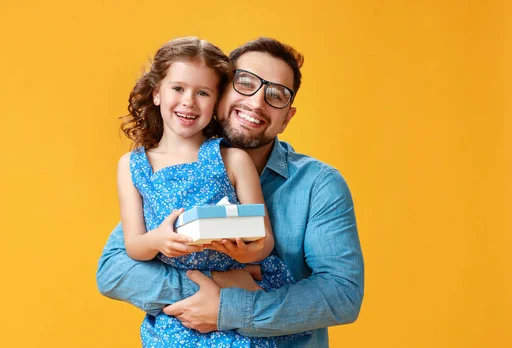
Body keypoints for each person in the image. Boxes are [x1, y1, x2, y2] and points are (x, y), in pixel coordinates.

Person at [97, 37, 365, 348]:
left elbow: (342, 295)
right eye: (245, 83)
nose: (256, 103)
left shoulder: (319, 185)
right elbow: (115, 271)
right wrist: (215, 284)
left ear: (287, 118)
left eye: (276, 95)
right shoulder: (168, 176)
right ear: (222, 92)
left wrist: (228, 309)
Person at [116, 36, 298, 347]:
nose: (189, 101)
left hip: (238, 301)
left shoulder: (233, 159)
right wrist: (158, 240)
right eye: (178, 88)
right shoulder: (133, 166)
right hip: (178, 316)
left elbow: (264, 238)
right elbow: (133, 246)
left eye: (203, 93)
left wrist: (247, 252)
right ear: (157, 92)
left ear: (216, 103)